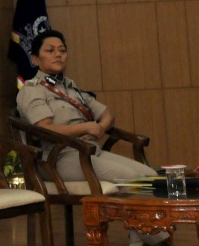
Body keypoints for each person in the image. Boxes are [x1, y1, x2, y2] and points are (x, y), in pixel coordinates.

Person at [17, 28, 168, 246]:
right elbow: (45, 128)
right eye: (50, 50)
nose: (58, 55)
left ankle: (140, 241)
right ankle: (160, 243)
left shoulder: (70, 88)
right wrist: (85, 128)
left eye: (62, 50)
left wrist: (99, 127)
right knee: (133, 181)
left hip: (89, 152)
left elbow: (107, 115)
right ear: (34, 58)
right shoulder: (32, 90)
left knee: (149, 176)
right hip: (56, 160)